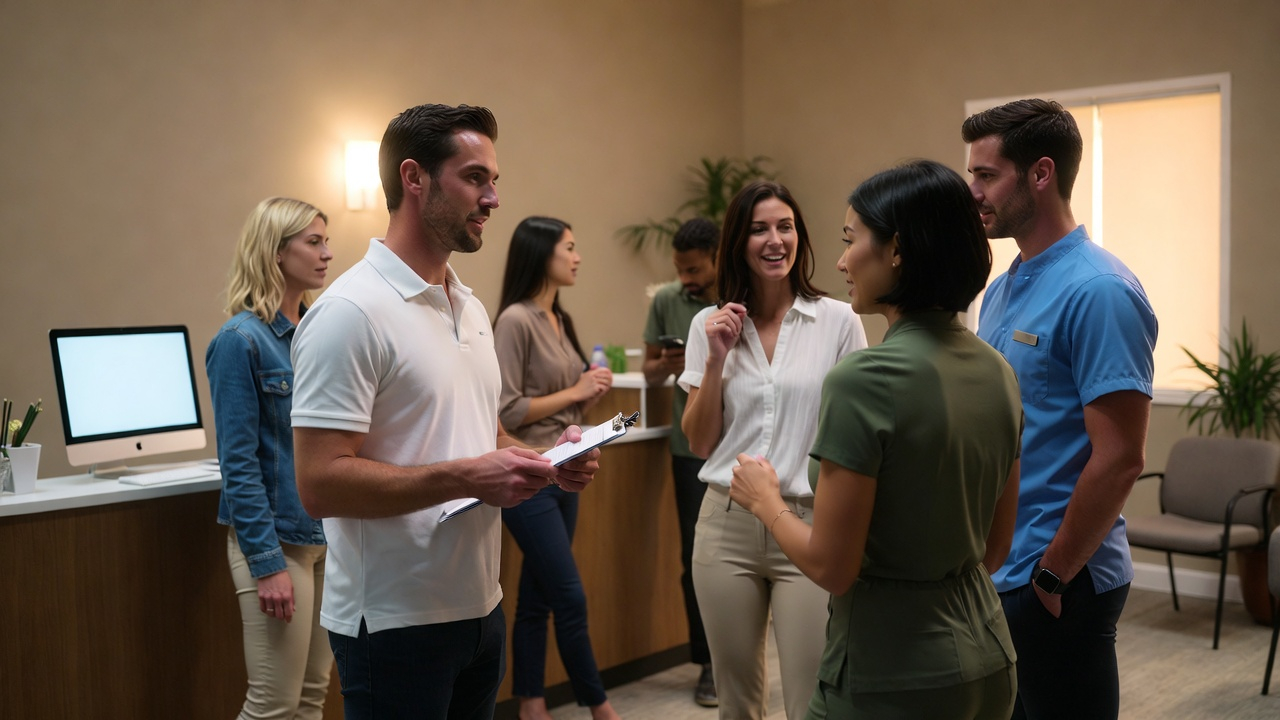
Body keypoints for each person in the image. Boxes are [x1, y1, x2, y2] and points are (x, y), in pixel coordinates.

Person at [289, 103, 600, 719]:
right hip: (393, 624)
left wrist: (543, 461)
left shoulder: (471, 308)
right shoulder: (350, 313)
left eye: (494, 181)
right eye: (475, 178)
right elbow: (320, 483)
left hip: (480, 609)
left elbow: (480, 433)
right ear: (415, 178)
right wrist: (464, 476)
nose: (493, 199)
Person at [730, 160, 1022, 719]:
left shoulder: (864, 379)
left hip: (891, 671)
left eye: (850, 239)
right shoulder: (998, 370)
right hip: (987, 657)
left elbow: (833, 567)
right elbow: (995, 548)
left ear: (897, 251)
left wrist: (766, 502)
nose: (841, 260)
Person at [962, 99, 1158, 719]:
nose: (973, 191)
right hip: (1001, 572)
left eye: (987, 176)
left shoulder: (1099, 291)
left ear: (1040, 175)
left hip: (1057, 582)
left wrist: (1053, 575)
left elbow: (1121, 458)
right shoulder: (1001, 288)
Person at [679, 180, 868, 720]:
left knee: (812, 695)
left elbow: (856, 431)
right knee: (736, 701)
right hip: (725, 523)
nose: (774, 239)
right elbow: (699, 440)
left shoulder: (838, 320)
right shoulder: (708, 324)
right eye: (760, 228)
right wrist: (715, 358)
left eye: (785, 226)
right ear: (739, 240)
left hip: (805, 522)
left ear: (799, 237)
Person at [206, 196, 334, 719]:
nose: (328, 253)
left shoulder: (318, 332)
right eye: (314, 242)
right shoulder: (240, 340)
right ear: (277, 253)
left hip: (327, 539)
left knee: (310, 698)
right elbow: (239, 465)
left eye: (327, 240)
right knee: (272, 706)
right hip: (276, 545)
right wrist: (267, 564)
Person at [492, 216, 619, 720]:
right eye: (569, 247)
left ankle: (531, 703)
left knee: (538, 597)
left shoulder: (559, 320)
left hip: (564, 471)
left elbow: (563, 411)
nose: (577, 256)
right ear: (541, 253)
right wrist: (577, 391)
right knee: (569, 595)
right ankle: (600, 706)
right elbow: (506, 410)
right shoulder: (515, 319)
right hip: (529, 475)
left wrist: (589, 399)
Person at [640, 216, 719, 707]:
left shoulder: (743, 289)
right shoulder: (667, 300)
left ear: (716, 257)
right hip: (689, 450)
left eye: (694, 269)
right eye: (680, 269)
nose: (686, 278)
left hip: (742, 446)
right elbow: (649, 371)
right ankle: (708, 663)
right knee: (697, 558)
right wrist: (664, 366)